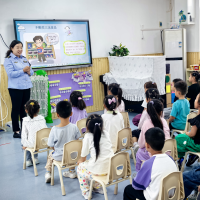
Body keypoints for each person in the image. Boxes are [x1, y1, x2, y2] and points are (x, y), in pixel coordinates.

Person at [124, 127, 177, 200]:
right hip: (171, 196)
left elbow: (137, 185)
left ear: (147, 145)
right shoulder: (170, 158)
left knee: (128, 189)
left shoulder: (149, 163)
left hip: (156, 197)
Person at [77, 114, 114, 199]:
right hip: (110, 170)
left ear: (87, 127)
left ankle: (86, 191)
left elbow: (83, 157)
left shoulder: (87, 136)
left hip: (98, 171)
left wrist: (80, 161)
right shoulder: (106, 133)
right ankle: (98, 187)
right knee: (96, 164)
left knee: (80, 168)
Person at [4, 40, 34, 138]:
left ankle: (24, 129)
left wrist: (29, 72)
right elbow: (11, 74)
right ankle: (16, 131)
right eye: (17, 47)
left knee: (25, 108)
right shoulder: (8, 60)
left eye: (21, 47)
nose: (20, 49)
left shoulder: (24, 58)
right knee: (16, 109)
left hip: (26, 87)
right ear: (12, 48)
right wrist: (23, 71)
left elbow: (32, 71)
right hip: (15, 88)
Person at [45, 101, 81, 183]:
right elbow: (77, 142)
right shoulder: (74, 127)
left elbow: (51, 145)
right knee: (71, 152)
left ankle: (48, 173)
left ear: (57, 114)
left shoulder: (54, 129)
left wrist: (55, 149)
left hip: (59, 156)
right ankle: (72, 171)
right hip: (73, 156)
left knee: (50, 155)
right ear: (71, 113)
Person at [136, 99, 171, 172]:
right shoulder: (164, 121)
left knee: (139, 151)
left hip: (154, 154)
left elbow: (141, 144)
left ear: (148, 112)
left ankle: (139, 174)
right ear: (161, 112)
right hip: (168, 151)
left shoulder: (146, 123)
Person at [132, 89, 163, 155]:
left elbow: (140, 126)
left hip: (148, 146)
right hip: (160, 138)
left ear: (147, 99)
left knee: (134, 133)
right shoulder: (161, 111)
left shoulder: (146, 113)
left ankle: (135, 146)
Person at [175, 94, 200, 168]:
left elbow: (192, 134)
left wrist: (187, 133)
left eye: (196, 99)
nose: (194, 100)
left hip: (197, 145)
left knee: (179, 138)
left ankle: (180, 159)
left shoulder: (197, 120)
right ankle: (192, 155)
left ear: (199, 103)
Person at [21, 100, 47, 167]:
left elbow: (24, 135)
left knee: (28, 141)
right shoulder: (42, 118)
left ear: (26, 110)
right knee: (35, 138)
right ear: (38, 110)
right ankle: (35, 158)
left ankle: (28, 160)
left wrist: (24, 144)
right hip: (42, 143)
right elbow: (45, 130)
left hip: (32, 143)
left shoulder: (25, 120)